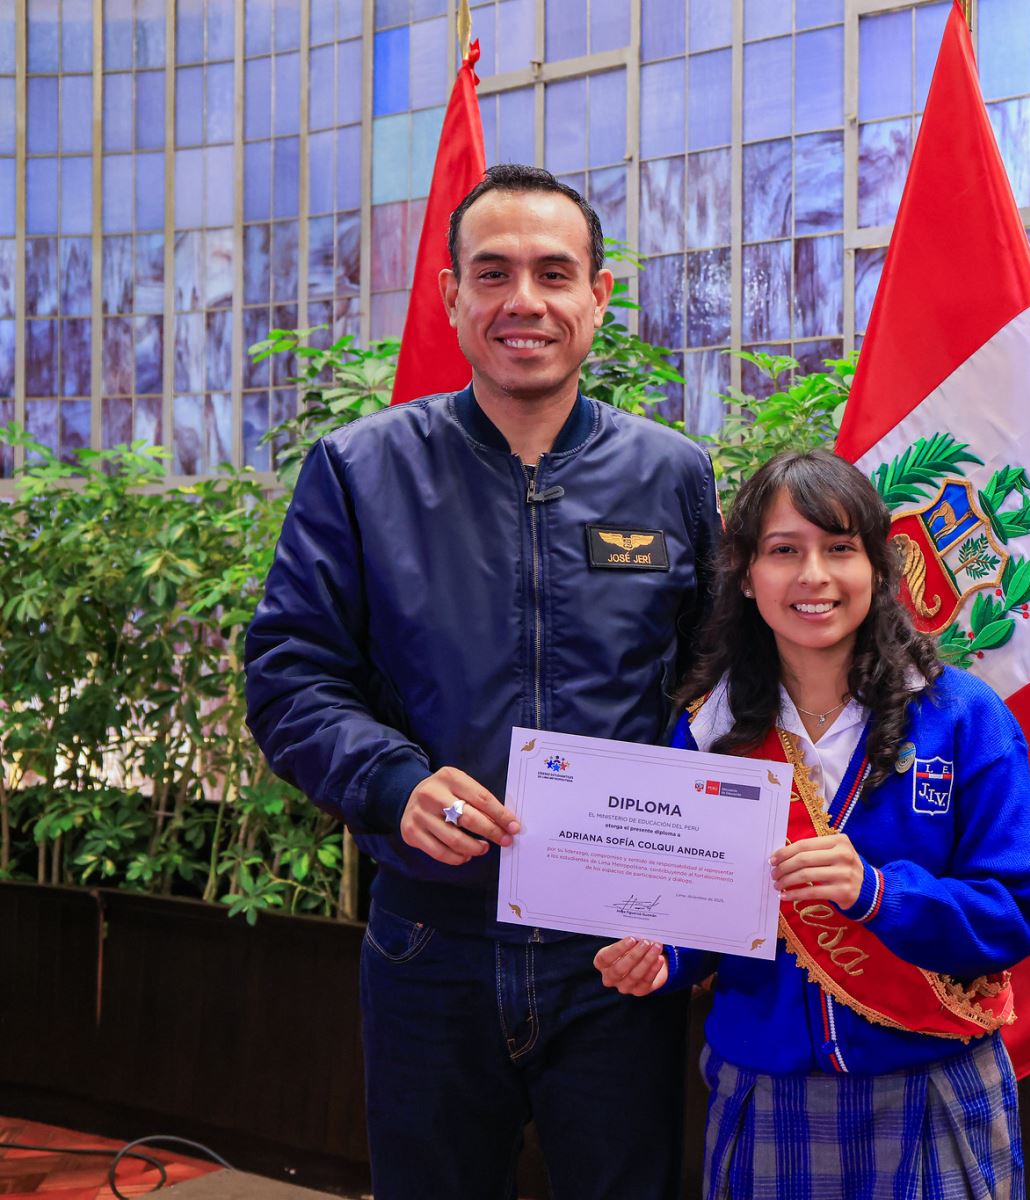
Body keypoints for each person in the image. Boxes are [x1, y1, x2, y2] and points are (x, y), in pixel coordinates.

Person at [244, 164, 717, 1199]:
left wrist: (692, 899)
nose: (524, 302)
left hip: (617, 957)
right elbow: (288, 675)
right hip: (431, 948)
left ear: (599, 296)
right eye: (492, 273)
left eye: (555, 273)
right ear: (453, 297)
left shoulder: (671, 475)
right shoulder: (360, 472)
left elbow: (714, 688)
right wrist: (389, 781)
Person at [596, 450, 1030, 1199]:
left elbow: (1020, 911)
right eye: (784, 551)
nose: (814, 576)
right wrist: (662, 958)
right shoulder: (711, 730)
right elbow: (690, 913)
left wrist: (878, 893)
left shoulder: (963, 718)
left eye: (840, 548)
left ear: (880, 567)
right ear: (746, 576)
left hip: (932, 1085)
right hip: (768, 1093)